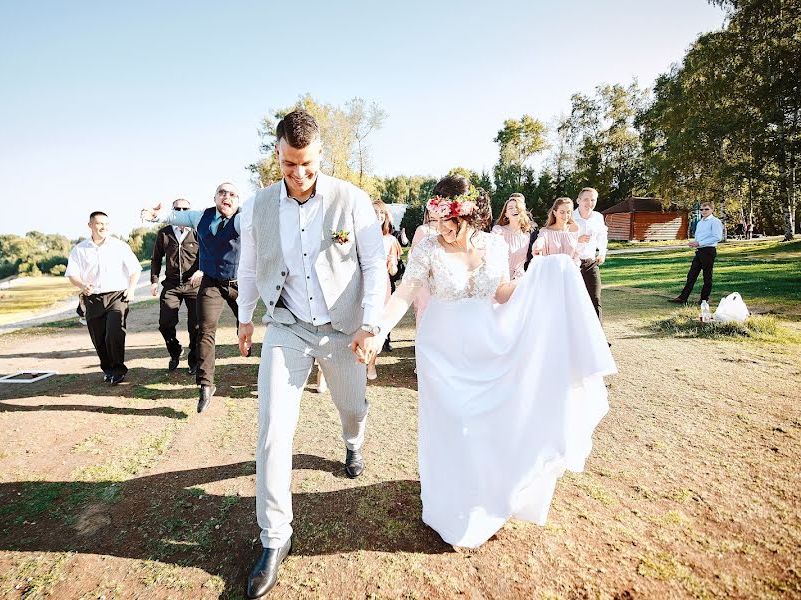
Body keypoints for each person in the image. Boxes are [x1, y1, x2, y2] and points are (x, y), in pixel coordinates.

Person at [360, 175, 615, 548]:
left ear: (469, 217)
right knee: (451, 425)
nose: (443, 229)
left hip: (487, 343)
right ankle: (448, 503)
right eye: (439, 220)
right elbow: (406, 292)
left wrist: (541, 279)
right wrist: (376, 329)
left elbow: (500, 292)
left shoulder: (494, 245)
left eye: (451, 222)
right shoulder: (427, 248)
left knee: (482, 424)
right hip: (439, 348)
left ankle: (480, 499)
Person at [235, 109, 386, 598]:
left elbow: (374, 265)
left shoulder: (352, 199)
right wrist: (243, 316)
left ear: (321, 155)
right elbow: (250, 265)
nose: (299, 175)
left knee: (352, 407)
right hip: (287, 326)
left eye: (307, 164)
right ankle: (275, 537)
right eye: (288, 165)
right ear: (276, 156)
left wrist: (369, 324)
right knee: (273, 427)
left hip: (344, 329)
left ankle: (353, 442)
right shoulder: (257, 206)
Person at [140, 183, 242, 413]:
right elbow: (169, 216)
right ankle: (206, 385)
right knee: (205, 330)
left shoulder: (241, 219)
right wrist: (152, 215)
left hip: (239, 283)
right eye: (222, 193)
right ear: (215, 197)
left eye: (232, 194)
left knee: (244, 324)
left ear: (237, 200)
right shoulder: (200, 217)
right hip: (211, 283)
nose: (227, 197)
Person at [64, 211, 141, 385]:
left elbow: (135, 269)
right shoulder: (79, 249)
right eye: (99, 224)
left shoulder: (119, 246)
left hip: (117, 296)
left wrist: (132, 288)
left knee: (114, 333)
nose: (103, 227)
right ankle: (108, 369)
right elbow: (72, 275)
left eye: (106, 224)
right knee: (98, 338)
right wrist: (82, 285)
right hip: (93, 298)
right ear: (90, 225)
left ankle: (119, 369)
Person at [149, 198, 200, 372]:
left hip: (194, 285)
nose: (181, 212)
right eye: (177, 209)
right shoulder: (164, 233)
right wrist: (154, 281)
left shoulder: (197, 231)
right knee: (165, 324)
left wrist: (201, 271)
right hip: (171, 286)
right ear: (172, 210)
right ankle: (175, 351)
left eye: (185, 209)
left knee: (196, 326)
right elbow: (156, 258)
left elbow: (208, 254)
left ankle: (194, 360)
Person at [368, 198, 402, 377]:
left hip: (382, 285)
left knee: (376, 325)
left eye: (381, 213)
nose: (378, 216)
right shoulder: (359, 236)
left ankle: (371, 363)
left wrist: (390, 264)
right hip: (361, 284)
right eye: (374, 212)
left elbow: (394, 271)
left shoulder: (390, 240)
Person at [669, 201, 723, 304]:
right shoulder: (700, 222)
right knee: (691, 275)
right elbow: (700, 236)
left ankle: (704, 299)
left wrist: (700, 243)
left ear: (712, 210)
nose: (704, 211)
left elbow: (717, 237)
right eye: (702, 209)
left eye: (706, 209)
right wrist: (694, 242)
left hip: (708, 251)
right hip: (700, 251)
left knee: (707, 276)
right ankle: (683, 298)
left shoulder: (715, 221)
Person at [573, 187, 608, 321]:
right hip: (573, 264)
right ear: (578, 200)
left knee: (595, 299)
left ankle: (598, 338)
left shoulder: (598, 217)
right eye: (586, 199)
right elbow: (561, 239)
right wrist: (577, 239)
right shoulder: (570, 217)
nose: (589, 203)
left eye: (593, 199)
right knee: (575, 301)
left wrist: (602, 253)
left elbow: (602, 236)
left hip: (591, 263)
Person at [491, 193, 536, 280]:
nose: (514, 210)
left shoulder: (526, 236)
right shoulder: (498, 231)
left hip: (520, 280)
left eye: (517, 207)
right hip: (500, 278)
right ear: (506, 214)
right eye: (510, 208)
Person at [532, 197, 581, 265]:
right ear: (555, 213)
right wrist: (537, 247)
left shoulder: (574, 231)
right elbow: (540, 241)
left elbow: (577, 253)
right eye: (562, 212)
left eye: (568, 212)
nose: (565, 215)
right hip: (551, 271)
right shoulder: (546, 231)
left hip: (569, 271)